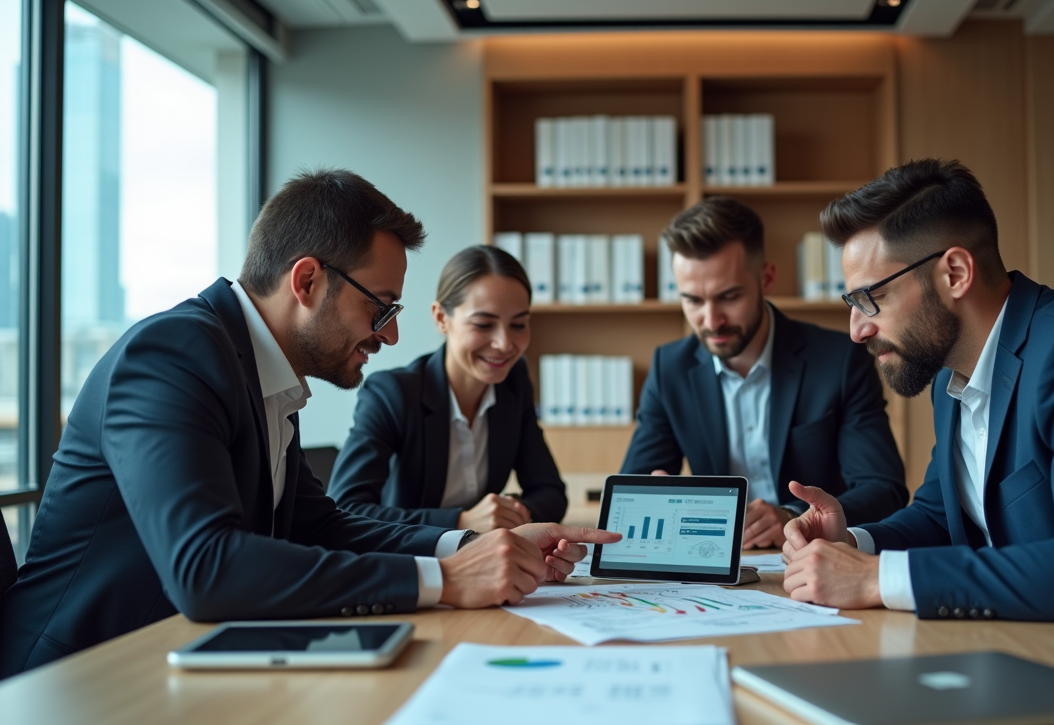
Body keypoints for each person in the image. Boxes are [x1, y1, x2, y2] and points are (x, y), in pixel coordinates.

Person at [0, 169, 617, 678]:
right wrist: (446, 578)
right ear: (307, 280)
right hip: (69, 686)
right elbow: (205, 568)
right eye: (380, 307)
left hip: (170, 670)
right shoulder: (172, 355)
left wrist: (473, 547)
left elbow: (319, 525)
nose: (391, 333)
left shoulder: (260, 373)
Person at [779, 158, 1054, 683]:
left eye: (873, 298)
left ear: (954, 273)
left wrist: (877, 579)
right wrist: (855, 544)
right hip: (1027, 657)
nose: (857, 330)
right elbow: (939, 516)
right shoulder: (953, 376)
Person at [620, 196, 908, 548]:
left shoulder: (839, 360)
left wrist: (791, 515)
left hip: (809, 555)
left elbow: (884, 488)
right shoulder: (670, 369)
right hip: (710, 558)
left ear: (767, 279)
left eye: (729, 296)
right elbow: (631, 495)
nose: (711, 321)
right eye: (693, 300)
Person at [328, 245, 567, 530]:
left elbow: (551, 493)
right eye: (483, 324)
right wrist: (461, 522)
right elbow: (347, 509)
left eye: (518, 325)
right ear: (441, 318)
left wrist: (515, 513)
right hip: (408, 561)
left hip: (482, 558)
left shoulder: (513, 384)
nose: (504, 344)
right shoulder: (392, 394)